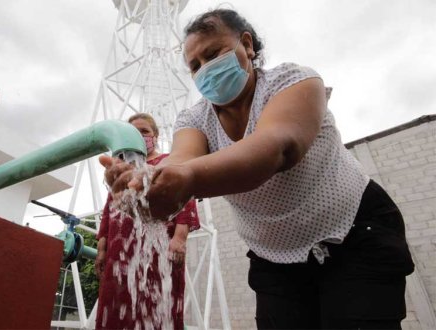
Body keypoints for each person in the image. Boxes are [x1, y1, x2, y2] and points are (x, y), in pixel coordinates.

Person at [100, 9, 415, 329]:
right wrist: (145, 181)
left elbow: (276, 147)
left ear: (247, 45)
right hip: (275, 258)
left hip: (355, 234)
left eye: (213, 54)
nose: (204, 69)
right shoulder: (194, 119)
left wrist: (188, 178)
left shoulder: (293, 81)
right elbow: (181, 159)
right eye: (194, 66)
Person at [94, 113, 200, 330]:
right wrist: (102, 247)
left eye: (145, 131)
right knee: (115, 304)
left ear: (156, 136)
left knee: (159, 303)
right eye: (134, 132)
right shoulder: (122, 170)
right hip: (120, 248)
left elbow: (186, 200)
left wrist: (180, 237)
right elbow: (109, 209)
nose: (140, 136)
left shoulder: (169, 162)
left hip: (159, 248)